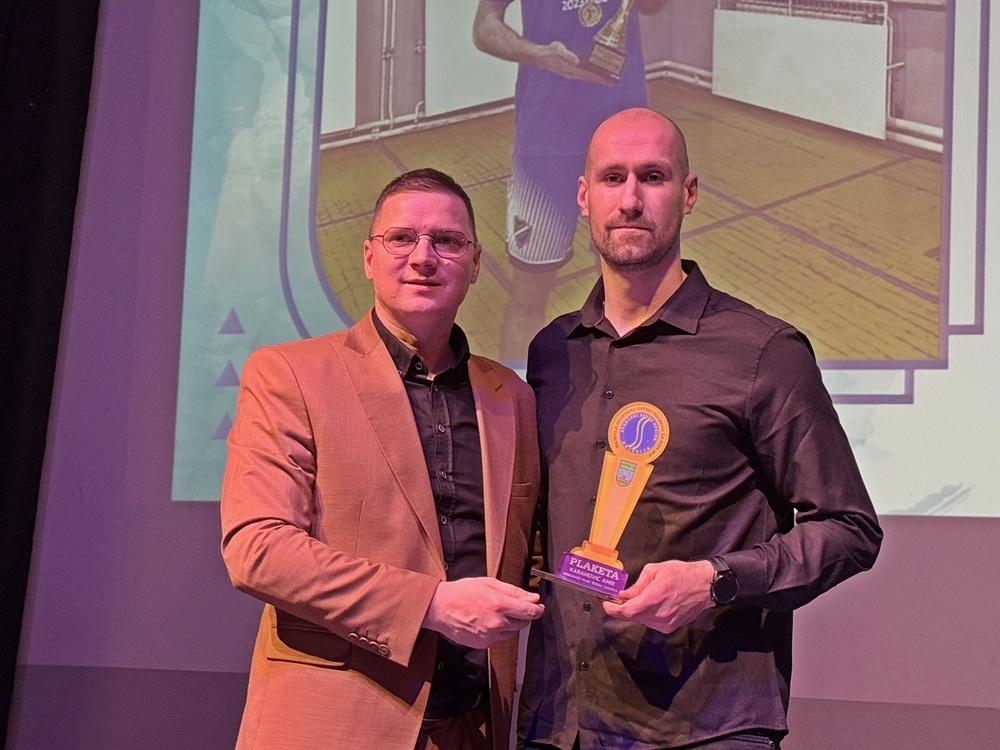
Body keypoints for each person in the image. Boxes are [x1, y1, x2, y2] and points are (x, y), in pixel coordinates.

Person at [518, 109, 883, 749]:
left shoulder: (762, 351)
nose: (631, 200)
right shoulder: (552, 353)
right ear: (583, 196)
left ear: (688, 194)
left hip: (705, 728)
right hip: (561, 724)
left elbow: (850, 529)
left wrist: (715, 580)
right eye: (612, 178)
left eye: (653, 177)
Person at [221, 168, 545, 750]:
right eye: (402, 238)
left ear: (475, 264)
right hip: (333, 727)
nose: (423, 257)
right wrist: (432, 604)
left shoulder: (512, 397)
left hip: (472, 728)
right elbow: (258, 549)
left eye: (447, 241)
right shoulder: (289, 373)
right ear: (369, 257)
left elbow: (528, 556)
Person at [472, 0, 665, 361]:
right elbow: (484, 27)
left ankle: (625, 384)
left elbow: (653, 6)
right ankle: (520, 393)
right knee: (529, 293)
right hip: (545, 144)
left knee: (628, 284)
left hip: (623, 142)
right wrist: (539, 55)